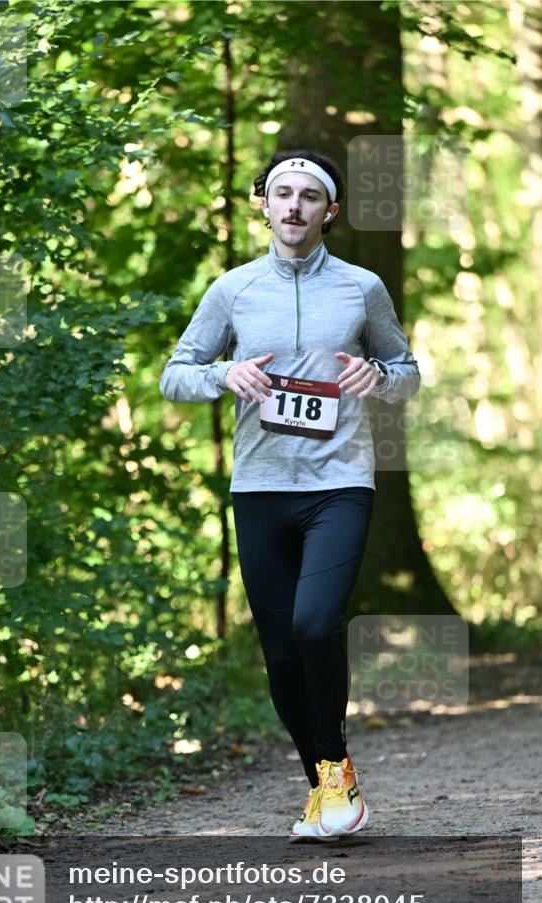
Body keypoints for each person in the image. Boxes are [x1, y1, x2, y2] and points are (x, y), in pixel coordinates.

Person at [159, 150, 421, 841]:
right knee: (279, 653)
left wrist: (378, 377)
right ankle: (325, 787)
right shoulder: (234, 290)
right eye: (283, 194)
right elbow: (173, 375)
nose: (295, 206)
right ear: (265, 205)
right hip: (260, 487)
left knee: (313, 625)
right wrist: (223, 376)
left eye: (309, 196)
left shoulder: (361, 288)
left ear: (329, 211)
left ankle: (333, 770)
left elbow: (406, 370)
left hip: (339, 483)